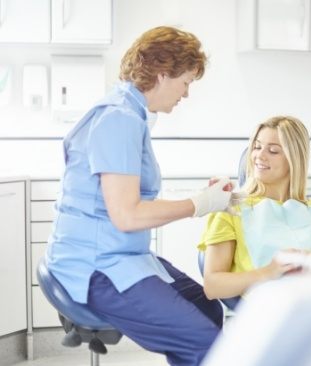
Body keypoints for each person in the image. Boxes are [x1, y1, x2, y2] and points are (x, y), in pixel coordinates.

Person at [45, 26, 234, 366]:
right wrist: (201, 204)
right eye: (186, 82)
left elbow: (130, 199)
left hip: (121, 255)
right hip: (97, 266)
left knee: (205, 308)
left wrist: (203, 197)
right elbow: (127, 215)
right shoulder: (119, 119)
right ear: (163, 74)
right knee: (208, 343)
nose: (186, 94)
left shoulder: (129, 114)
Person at [198, 116, 311, 301]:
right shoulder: (232, 209)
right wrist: (269, 272)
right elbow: (213, 286)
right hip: (273, 309)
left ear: (294, 159)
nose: (260, 156)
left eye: (273, 151)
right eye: (256, 147)